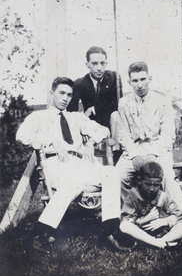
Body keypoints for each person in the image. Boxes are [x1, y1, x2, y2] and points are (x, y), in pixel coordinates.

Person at [16, 77, 123, 253]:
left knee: (111, 172)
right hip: (54, 162)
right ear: (52, 94)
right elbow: (21, 135)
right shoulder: (39, 116)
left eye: (69, 95)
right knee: (74, 181)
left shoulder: (76, 118)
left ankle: (108, 231)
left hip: (78, 162)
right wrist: (49, 141)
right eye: (61, 93)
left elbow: (103, 130)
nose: (65, 98)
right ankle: (40, 233)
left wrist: (91, 143)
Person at [116, 61, 182, 246]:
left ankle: (181, 226)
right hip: (133, 149)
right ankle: (134, 220)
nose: (140, 84)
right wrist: (135, 154)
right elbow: (123, 133)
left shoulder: (162, 101)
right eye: (135, 80)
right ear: (129, 82)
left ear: (149, 78)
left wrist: (152, 153)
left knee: (166, 175)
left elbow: (168, 134)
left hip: (158, 148)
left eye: (143, 79)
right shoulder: (124, 103)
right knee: (119, 175)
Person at [67, 46, 123, 164]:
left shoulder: (114, 78)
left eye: (102, 63)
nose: (99, 68)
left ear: (106, 63)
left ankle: (117, 155)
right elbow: (71, 111)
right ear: (87, 64)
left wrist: (95, 108)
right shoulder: (79, 83)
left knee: (117, 115)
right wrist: (82, 116)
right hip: (91, 127)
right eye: (95, 63)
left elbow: (119, 105)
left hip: (111, 125)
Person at [120, 161, 182, 248]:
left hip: (163, 231)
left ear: (160, 183)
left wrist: (164, 221)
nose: (152, 189)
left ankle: (159, 242)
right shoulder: (133, 196)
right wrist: (145, 220)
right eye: (148, 184)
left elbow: (178, 215)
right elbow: (127, 219)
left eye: (156, 185)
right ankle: (161, 243)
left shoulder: (162, 196)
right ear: (139, 181)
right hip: (142, 232)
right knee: (124, 226)